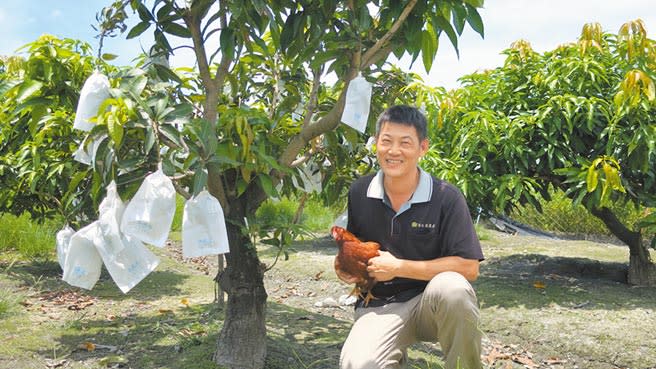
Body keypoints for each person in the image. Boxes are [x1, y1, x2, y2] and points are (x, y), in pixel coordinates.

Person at [340, 105, 484, 369]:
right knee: (359, 364)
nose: (394, 151)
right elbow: (356, 249)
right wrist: (351, 265)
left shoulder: (446, 197)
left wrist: (398, 267)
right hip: (381, 305)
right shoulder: (360, 192)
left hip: (432, 302)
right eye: (386, 141)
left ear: (423, 148)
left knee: (454, 288)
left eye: (405, 143)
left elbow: (469, 268)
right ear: (376, 145)